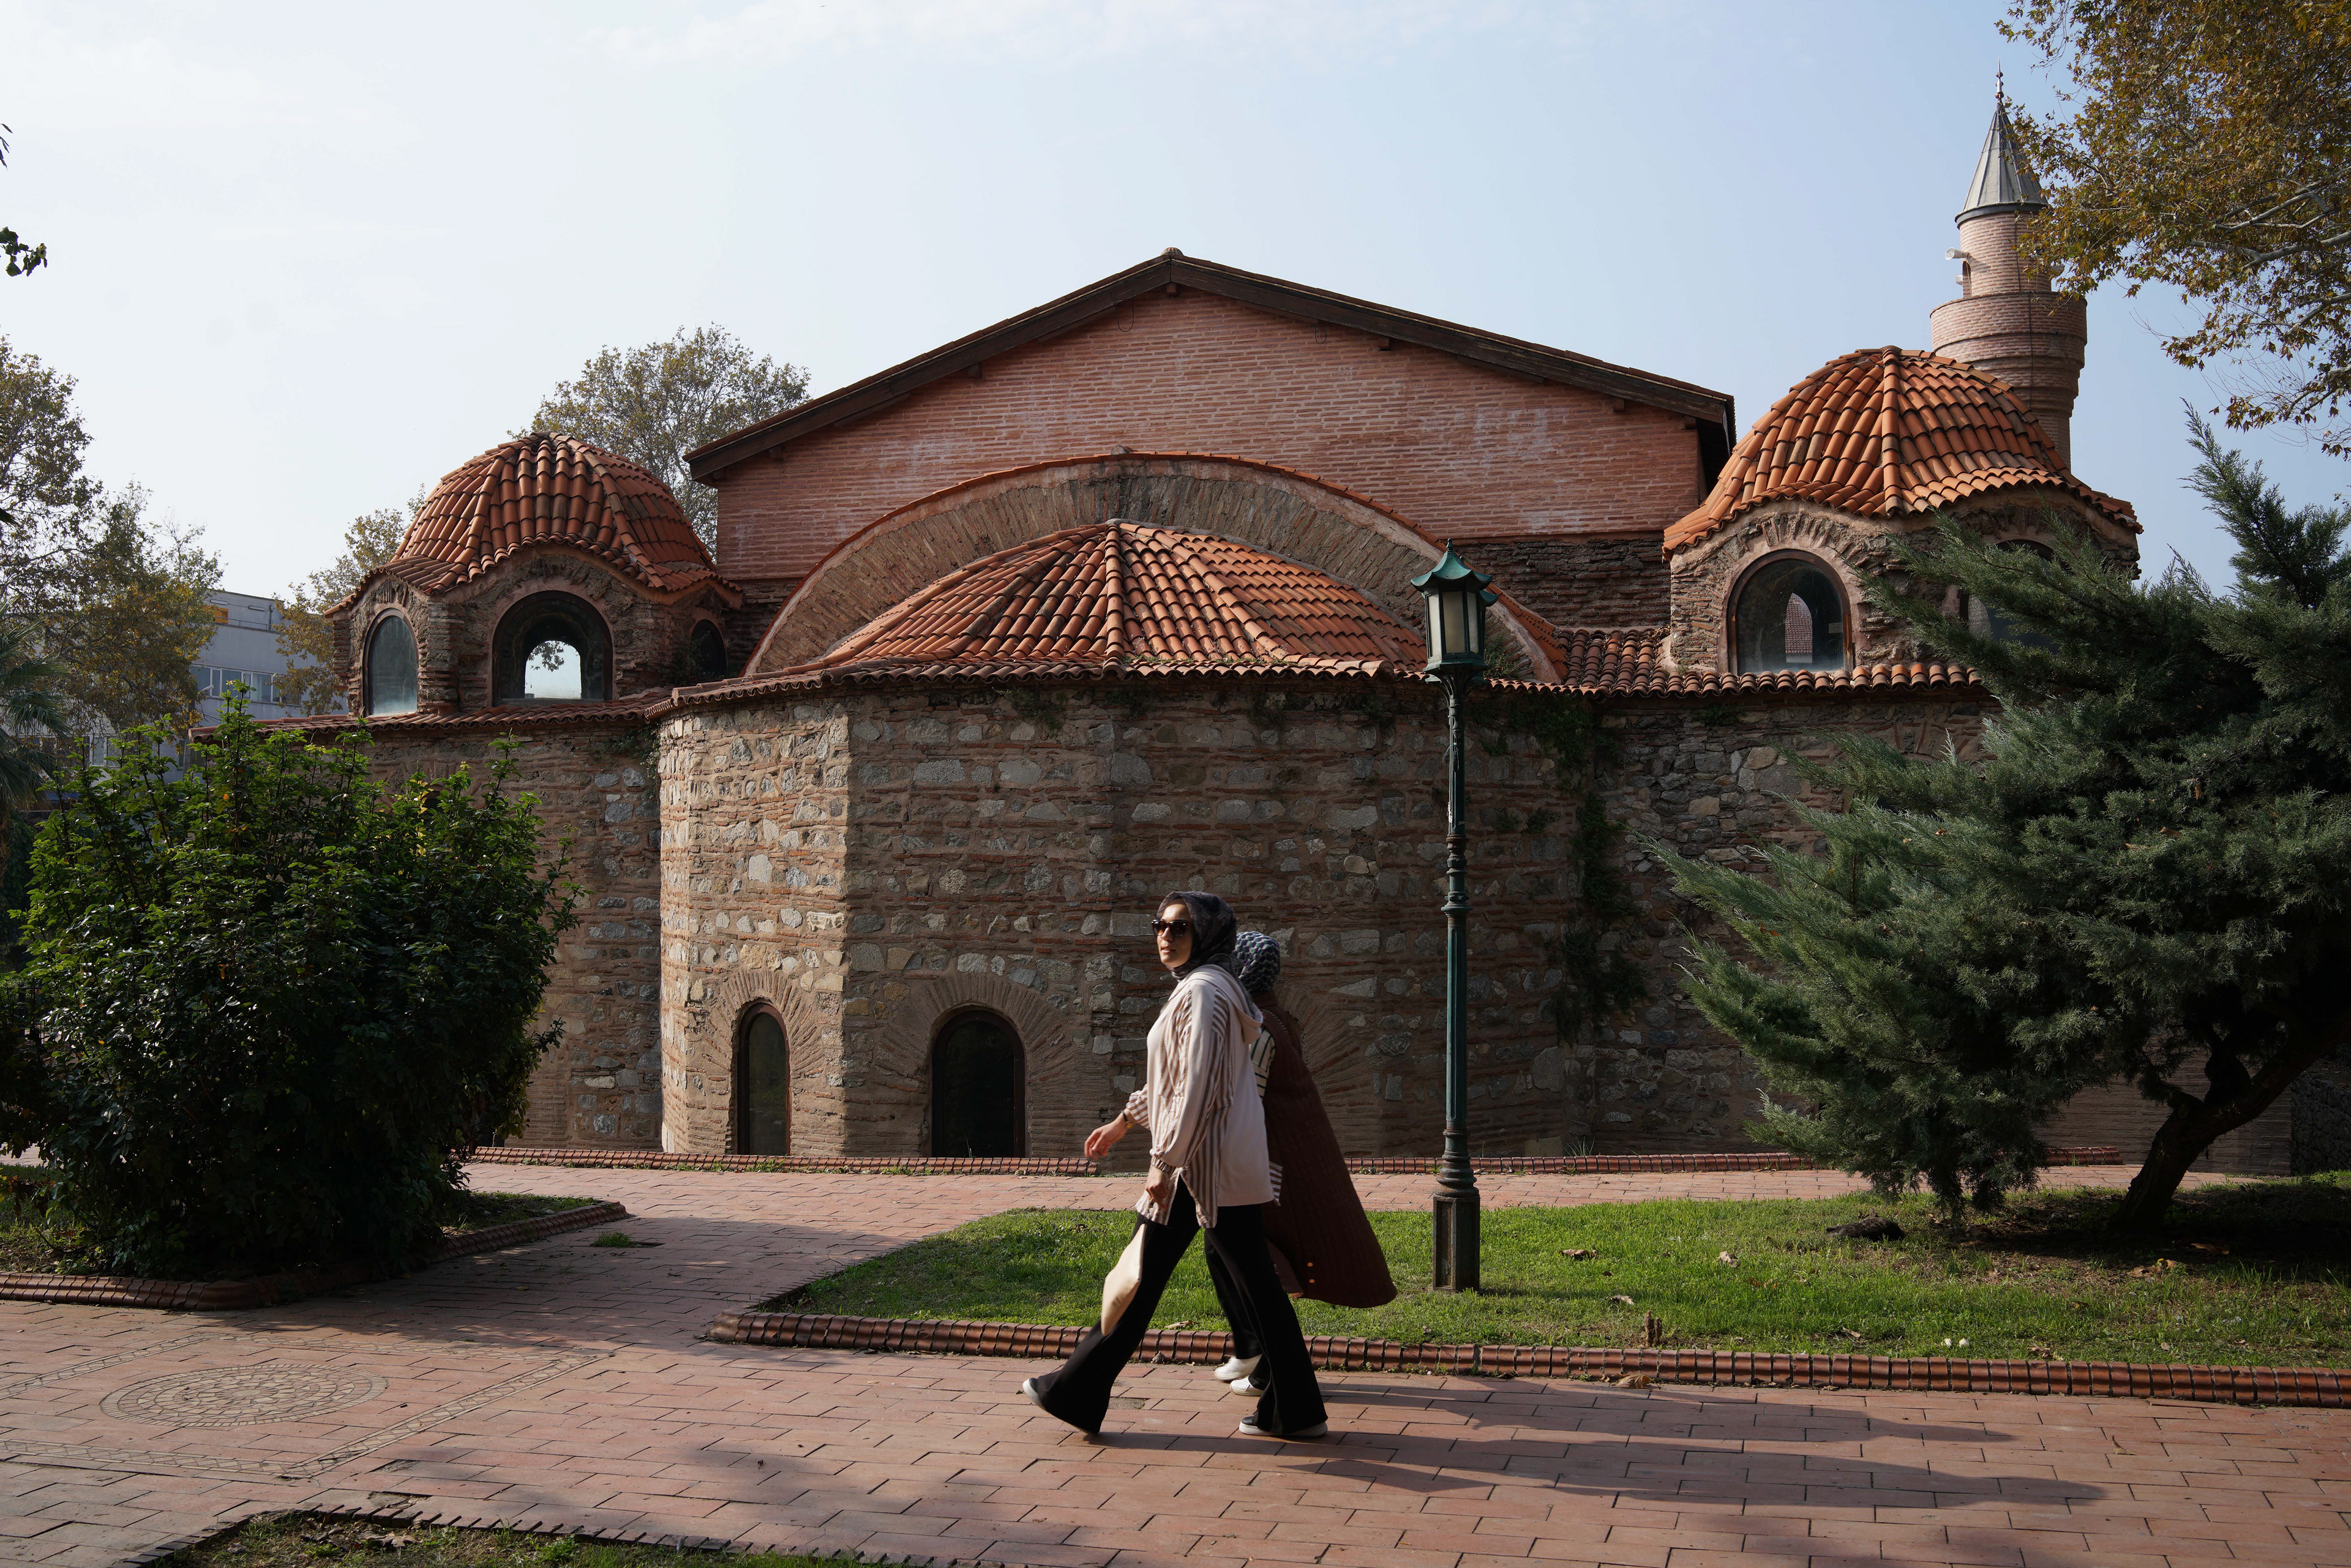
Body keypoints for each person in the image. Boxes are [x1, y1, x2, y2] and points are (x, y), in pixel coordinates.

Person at [1021, 892, 1329, 1440]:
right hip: (1208, 1163)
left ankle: (1077, 1390)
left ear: (1208, 933)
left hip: (1200, 1167)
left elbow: (1197, 1086)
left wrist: (1165, 1163)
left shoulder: (1206, 991)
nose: (1166, 935)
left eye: (1180, 926)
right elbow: (1174, 1079)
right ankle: (1295, 1410)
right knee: (1212, 1283)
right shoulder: (1202, 987)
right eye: (1159, 925)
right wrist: (1123, 1121)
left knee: (1155, 1276)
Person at [1198, 931, 1395, 1397]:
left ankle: (1265, 1362)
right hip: (1266, 1160)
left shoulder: (1261, 1025)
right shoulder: (1272, 1016)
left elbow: (1249, 1097)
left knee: (1252, 1263)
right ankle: (1253, 1351)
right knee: (1237, 1255)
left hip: (1264, 1165)